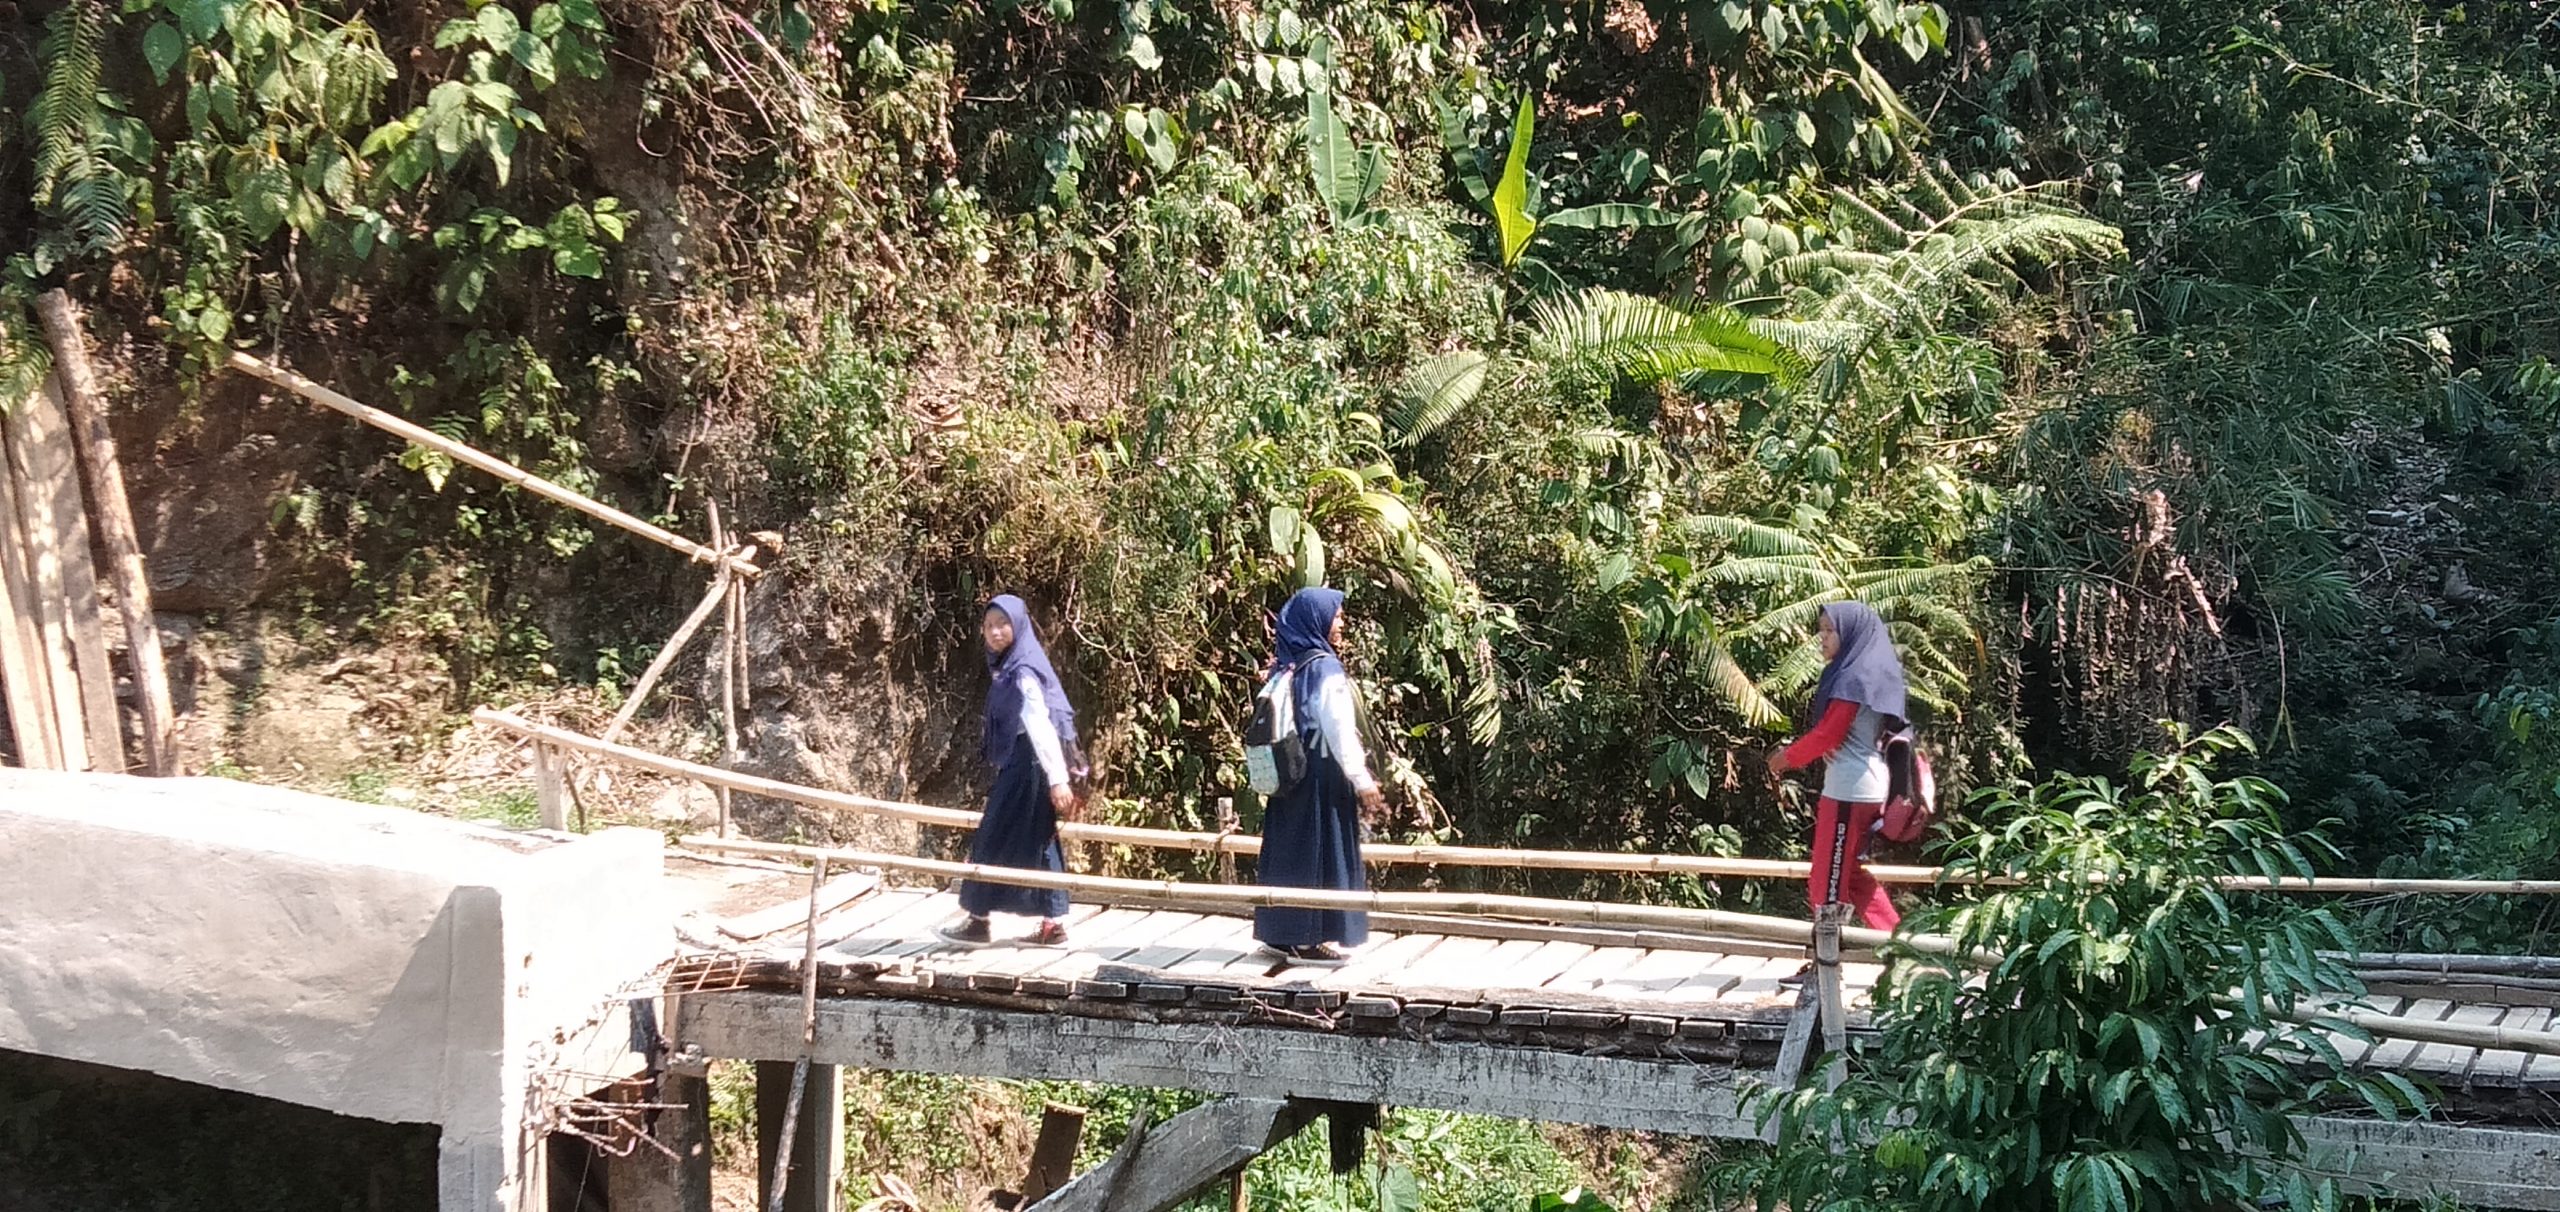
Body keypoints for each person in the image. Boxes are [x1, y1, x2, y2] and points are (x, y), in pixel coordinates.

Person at [1251, 587, 1385, 968]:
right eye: (1337, 617)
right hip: (1321, 781)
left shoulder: (1288, 665)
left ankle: (1281, 933)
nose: (1341, 624)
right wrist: (1362, 781)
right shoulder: (1325, 668)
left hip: (1290, 775)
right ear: (1318, 622)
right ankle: (1307, 939)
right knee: (1318, 855)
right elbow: (1339, 730)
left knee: (1289, 853)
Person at [939, 594, 1081, 948]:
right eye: (988, 626)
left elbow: (1041, 725)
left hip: (1031, 764)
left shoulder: (1022, 672)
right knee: (1031, 838)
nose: (995, 632)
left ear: (1018, 626)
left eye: (1003, 624)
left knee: (996, 835)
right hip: (1024, 761)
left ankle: (980, 919)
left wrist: (1058, 779)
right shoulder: (1010, 666)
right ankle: (1048, 924)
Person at [1766, 601, 1906, 933]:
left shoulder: (1855, 678)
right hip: (1862, 786)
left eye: (1830, 630)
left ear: (1851, 634)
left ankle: (1823, 969)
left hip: (1849, 791)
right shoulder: (1869, 670)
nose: (1822, 637)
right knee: (1850, 876)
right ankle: (1905, 950)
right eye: (1821, 629)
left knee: (1825, 879)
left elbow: (1828, 734)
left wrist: (1783, 760)